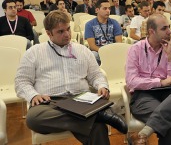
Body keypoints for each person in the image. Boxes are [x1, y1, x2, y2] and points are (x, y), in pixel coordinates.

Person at [15, 11, 127, 145]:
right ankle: (97, 115)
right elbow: (21, 81)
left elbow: (96, 75)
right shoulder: (34, 52)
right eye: (60, 31)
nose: (67, 34)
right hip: (50, 103)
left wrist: (102, 86)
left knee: (98, 128)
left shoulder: (82, 50)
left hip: (81, 100)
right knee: (33, 119)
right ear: (49, 33)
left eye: (68, 29)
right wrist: (33, 95)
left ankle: (92, 116)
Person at [126, 14, 171, 145]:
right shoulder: (135, 49)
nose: (169, 31)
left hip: (168, 94)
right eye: (164, 28)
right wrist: (160, 82)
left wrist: (169, 55)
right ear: (152, 31)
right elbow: (132, 81)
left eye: (169, 27)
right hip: (144, 95)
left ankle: (142, 134)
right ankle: (143, 134)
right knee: (169, 121)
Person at [85, 0, 122, 65]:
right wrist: (104, 52)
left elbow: (119, 42)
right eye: (105, 8)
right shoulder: (89, 24)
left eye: (109, 8)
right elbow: (92, 46)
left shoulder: (115, 23)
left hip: (113, 51)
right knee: (93, 55)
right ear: (97, 10)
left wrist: (111, 52)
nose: (108, 11)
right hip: (98, 51)